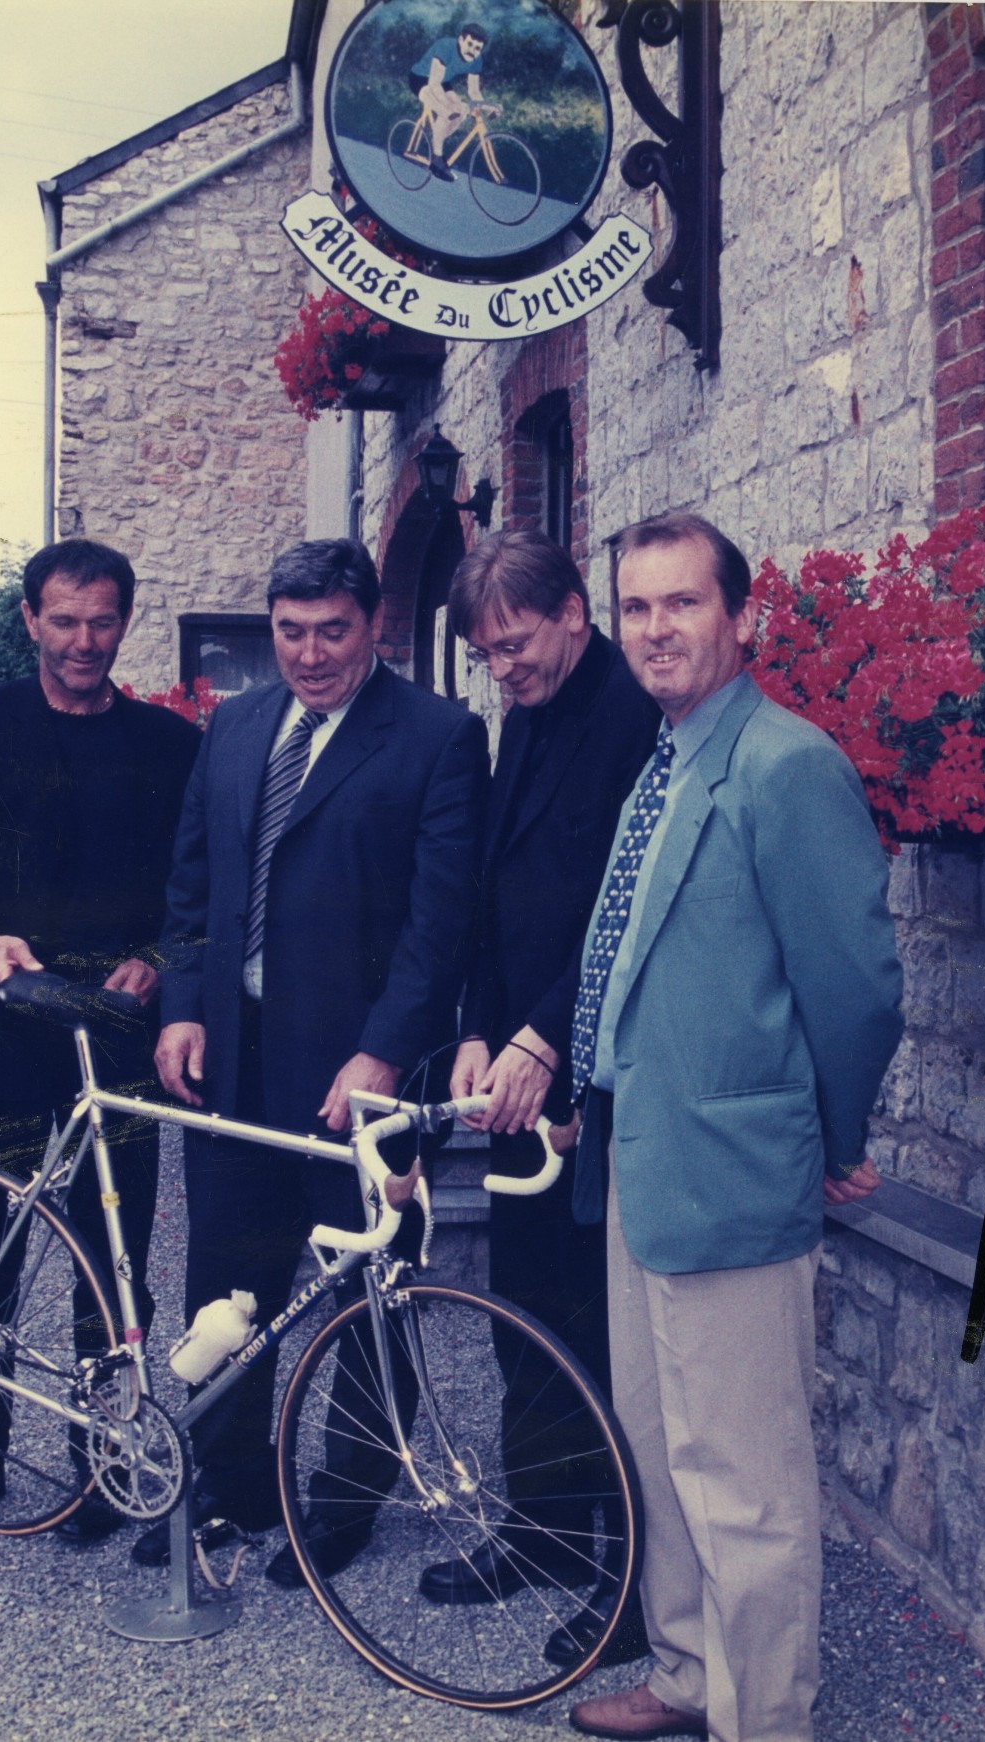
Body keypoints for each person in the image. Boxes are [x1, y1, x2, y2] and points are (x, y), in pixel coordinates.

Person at [565, 513, 902, 1742]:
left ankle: (763, 1719)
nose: (655, 628)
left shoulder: (784, 763)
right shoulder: (664, 760)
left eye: (683, 602)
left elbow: (855, 986)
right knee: (661, 1449)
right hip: (643, 1157)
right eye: (636, 606)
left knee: (745, 1486)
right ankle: (688, 1671)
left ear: (742, 616)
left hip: (735, 1173)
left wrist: (833, 1138)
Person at [149, 536, 488, 1586]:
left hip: (359, 1078)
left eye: (331, 631)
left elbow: (441, 924)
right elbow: (192, 886)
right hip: (234, 1065)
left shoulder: (438, 736)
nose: (308, 653)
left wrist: (383, 1050)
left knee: (369, 1293)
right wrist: (184, 1008)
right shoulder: (236, 724)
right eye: (289, 632)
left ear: (373, 624)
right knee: (226, 1281)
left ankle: (345, 1500)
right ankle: (233, 1483)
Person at [0, 537, 201, 1546]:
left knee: (112, 1266)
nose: (83, 640)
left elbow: (192, 891)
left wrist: (156, 959)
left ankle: (100, 1462)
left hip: (112, 1046)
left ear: (125, 622)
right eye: (63, 619)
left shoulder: (168, 745)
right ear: (30, 617)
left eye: (101, 620)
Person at [430, 528, 659, 1660]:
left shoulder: (638, 715)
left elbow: (629, 912)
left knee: (606, 1339)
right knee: (524, 1312)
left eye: (514, 645)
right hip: (516, 1071)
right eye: (485, 655)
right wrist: (478, 1027)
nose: (502, 670)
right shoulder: (522, 716)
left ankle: (632, 1592)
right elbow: (491, 893)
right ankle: (545, 1529)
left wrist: (546, 1041)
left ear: (574, 610)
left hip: (599, 1077)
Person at [406, 22, 489, 171]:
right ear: (461, 40)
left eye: (477, 48)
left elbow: (474, 92)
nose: (472, 51)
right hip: (421, 79)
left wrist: (488, 107)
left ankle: (435, 141)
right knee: (446, 112)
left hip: (443, 81)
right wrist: (448, 107)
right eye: (470, 44)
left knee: (461, 114)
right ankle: (437, 160)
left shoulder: (477, 60)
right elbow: (433, 84)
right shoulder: (445, 47)